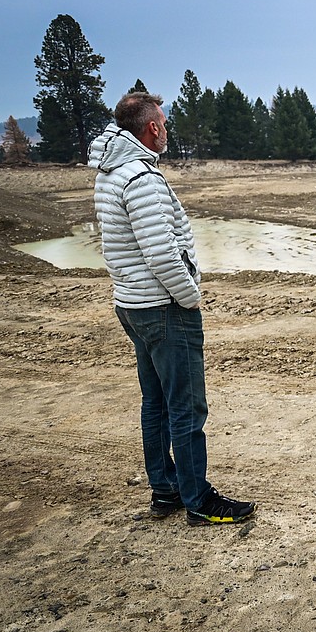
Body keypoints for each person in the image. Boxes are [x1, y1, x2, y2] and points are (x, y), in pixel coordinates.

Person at [90, 91, 255, 527]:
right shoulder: (142, 179)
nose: (166, 128)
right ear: (152, 128)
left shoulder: (110, 171)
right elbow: (162, 253)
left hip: (131, 303)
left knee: (157, 403)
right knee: (186, 407)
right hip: (162, 307)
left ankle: (165, 492)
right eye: (163, 122)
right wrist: (190, 297)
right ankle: (198, 500)